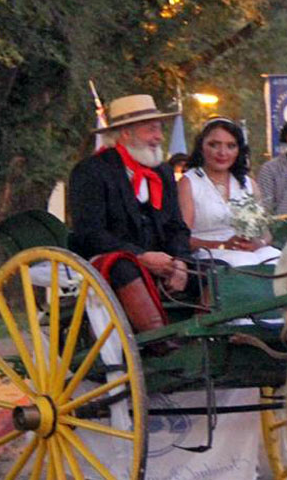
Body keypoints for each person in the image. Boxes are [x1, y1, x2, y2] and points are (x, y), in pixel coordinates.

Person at [67, 93, 196, 340]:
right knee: (125, 269)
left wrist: (180, 261)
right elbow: (90, 233)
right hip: (111, 260)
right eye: (151, 130)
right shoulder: (91, 172)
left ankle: (205, 338)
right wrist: (141, 256)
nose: (159, 137)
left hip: (162, 259)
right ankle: (160, 342)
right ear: (125, 134)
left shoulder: (163, 172)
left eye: (159, 129)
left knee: (212, 271)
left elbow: (176, 227)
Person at [177, 117, 280, 267]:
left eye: (231, 146)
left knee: (279, 259)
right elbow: (182, 238)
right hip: (209, 254)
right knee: (244, 264)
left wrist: (258, 243)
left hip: (247, 251)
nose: (222, 152)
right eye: (214, 145)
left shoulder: (247, 183)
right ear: (201, 147)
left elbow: (265, 233)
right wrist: (223, 244)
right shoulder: (189, 182)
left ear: (239, 150)